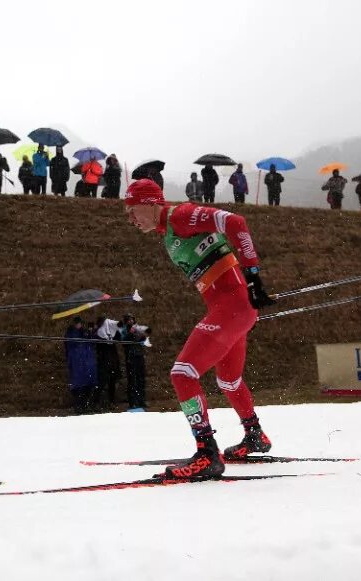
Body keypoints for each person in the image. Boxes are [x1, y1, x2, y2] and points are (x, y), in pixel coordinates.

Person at [122, 179, 277, 481]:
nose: (130, 219)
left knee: (183, 373)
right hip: (233, 308)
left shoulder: (180, 216)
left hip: (233, 307)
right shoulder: (168, 229)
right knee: (229, 381)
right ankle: (255, 434)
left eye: (132, 211)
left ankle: (207, 453)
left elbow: (235, 222)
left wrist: (253, 273)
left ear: (150, 203)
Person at [65, 317, 98, 414]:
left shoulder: (85, 332)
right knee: (78, 386)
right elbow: (72, 343)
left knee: (88, 385)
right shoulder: (71, 333)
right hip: (77, 363)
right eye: (78, 323)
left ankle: (86, 405)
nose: (80, 325)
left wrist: (91, 332)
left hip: (87, 363)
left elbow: (93, 342)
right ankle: (79, 406)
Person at [119, 314, 151, 411]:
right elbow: (123, 342)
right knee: (132, 381)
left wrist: (143, 336)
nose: (131, 321)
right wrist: (130, 333)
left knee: (141, 379)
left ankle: (141, 400)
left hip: (139, 356)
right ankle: (132, 402)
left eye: (132, 319)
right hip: (130, 357)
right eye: (129, 320)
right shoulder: (123, 330)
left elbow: (143, 339)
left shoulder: (137, 328)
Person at [95, 316, 123, 407]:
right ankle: (97, 402)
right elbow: (98, 346)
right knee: (102, 383)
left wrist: (115, 329)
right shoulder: (98, 333)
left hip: (112, 362)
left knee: (112, 383)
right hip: (104, 362)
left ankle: (111, 401)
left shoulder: (112, 333)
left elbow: (119, 337)